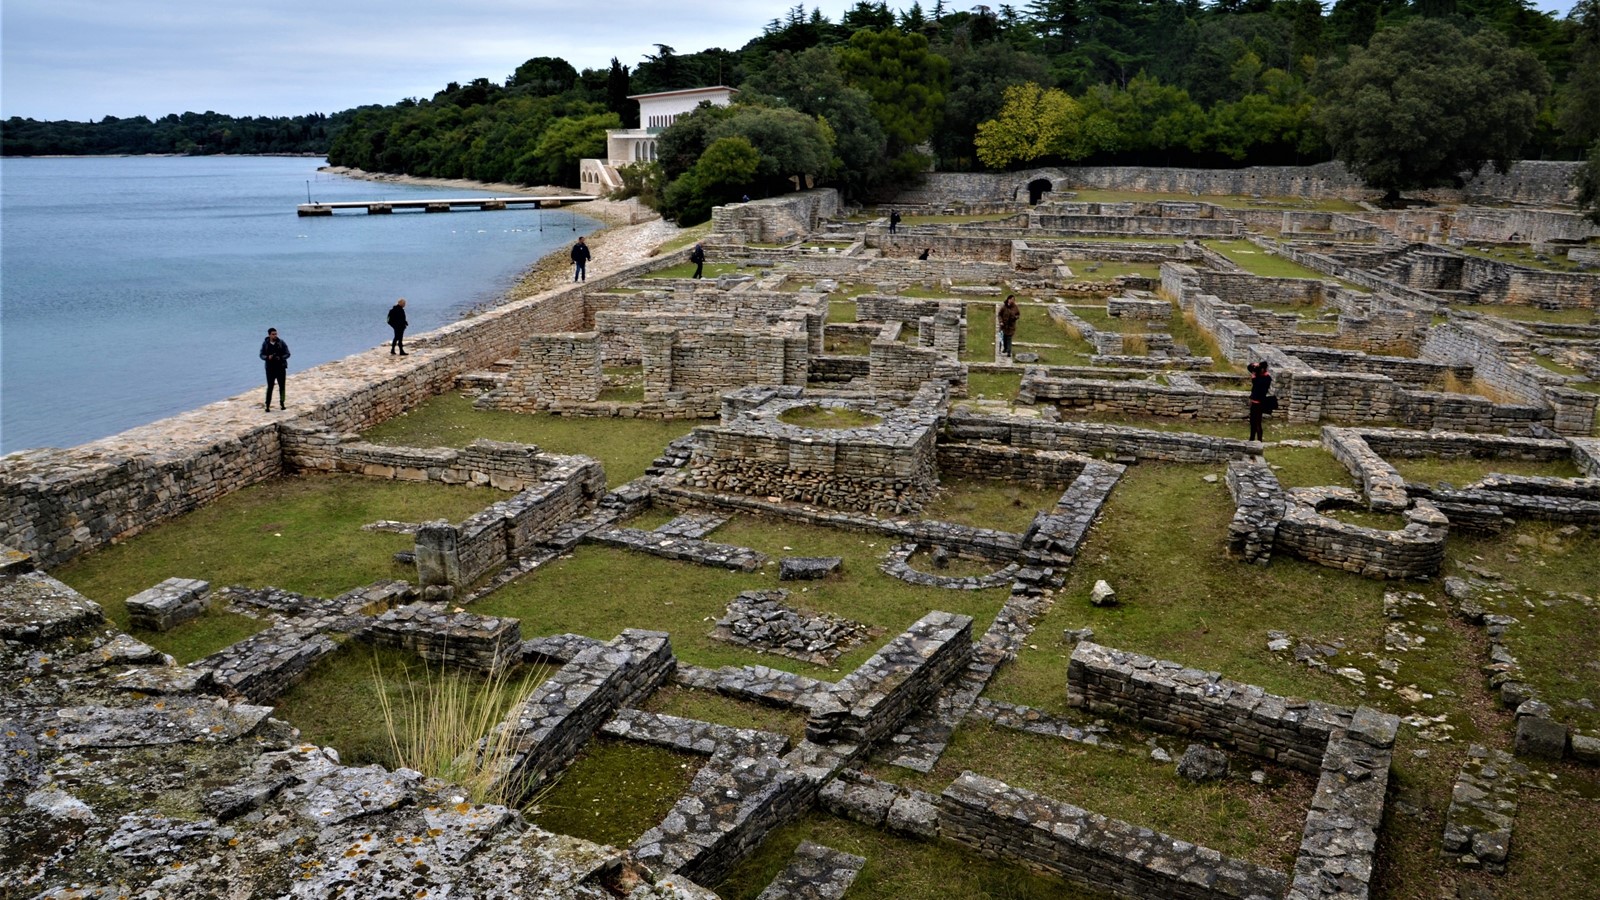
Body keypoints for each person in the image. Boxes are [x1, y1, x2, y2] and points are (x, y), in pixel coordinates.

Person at [260, 328, 290, 411]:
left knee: (282, 387)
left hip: (281, 368)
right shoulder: (265, 344)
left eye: (276, 334)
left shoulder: (281, 342)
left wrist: (281, 358)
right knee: (270, 387)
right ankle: (267, 405)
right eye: (273, 334)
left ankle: (282, 403)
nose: (275, 335)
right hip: (270, 369)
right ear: (269, 335)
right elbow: (261, 355)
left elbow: (288, 353)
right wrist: (267, 357)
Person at [1248, 361, 1272, 442]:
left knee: (1258, 422)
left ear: (1263, 369)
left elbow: (1259, 387)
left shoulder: (1267, 378)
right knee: (1252, 422)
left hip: (1259, 403)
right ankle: (1251, 439)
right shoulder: (1258, 375)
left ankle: (1259, 440)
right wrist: (1254, 364)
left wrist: (1254, 378)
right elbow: (1249, 367)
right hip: (1253, 402)